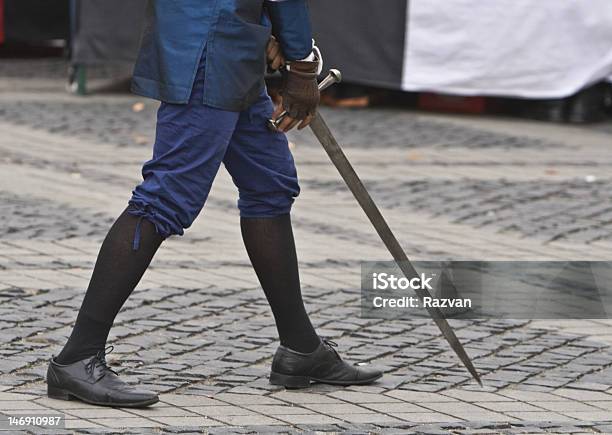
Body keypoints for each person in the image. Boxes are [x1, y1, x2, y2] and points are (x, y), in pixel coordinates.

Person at [46, 0, 382, 408]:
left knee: (269, 186)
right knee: (164, 200)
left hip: (224, 41)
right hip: (211, 48)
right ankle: (77, 357)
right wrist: (301, 62)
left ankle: (301, 348)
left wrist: (262, 29)